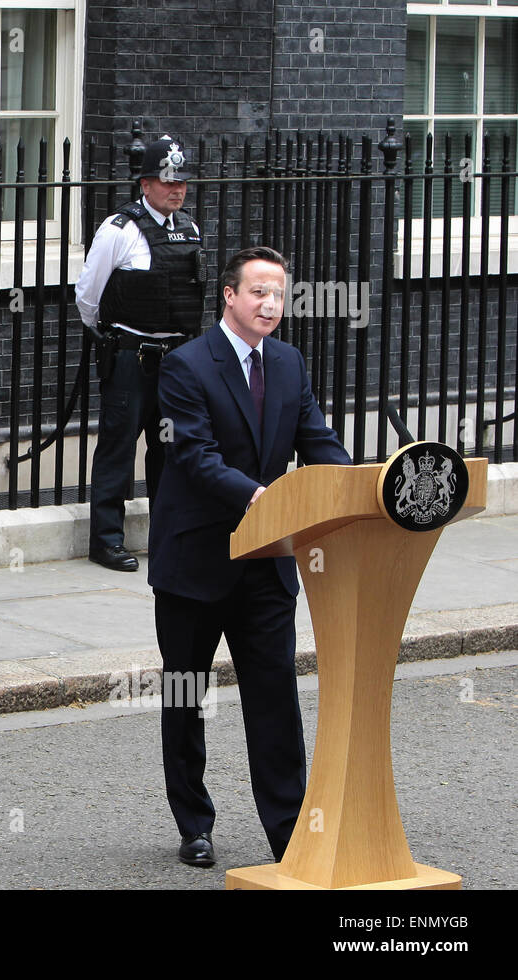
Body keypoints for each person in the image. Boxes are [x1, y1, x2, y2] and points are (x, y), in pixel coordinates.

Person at [147, 245, 353, 868]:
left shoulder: (288, 363)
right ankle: (194, 823)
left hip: (266, 561)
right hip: (196, 561)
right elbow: (196, 458)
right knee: (187, 694)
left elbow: (315, 440)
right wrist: (267, 499)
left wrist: (356, 489)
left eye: (279, 294)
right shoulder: (185, 366)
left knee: (275, 697)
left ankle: (288, 833)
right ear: (230, 297)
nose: (271, 303)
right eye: (258, 291)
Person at [75, 135, 206, 573]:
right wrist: (107, 336)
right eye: (167, 182)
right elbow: (88, 294)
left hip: (177, 357)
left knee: (170, 449)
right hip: (132, 356)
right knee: (117, 447)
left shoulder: (189, 227)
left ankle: (165, 535)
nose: (177, 189)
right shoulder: (119, 229)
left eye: (181, 182)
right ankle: (106, 541)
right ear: (145, 184)